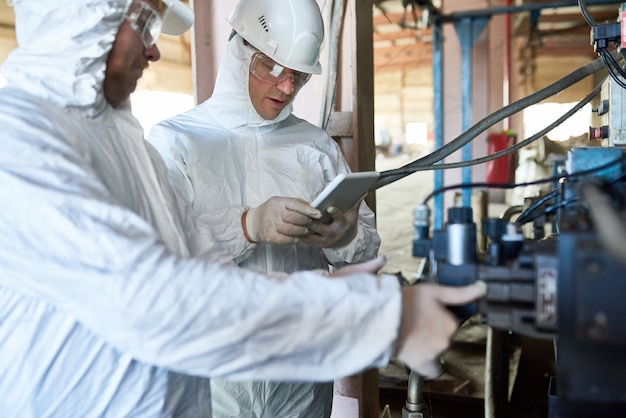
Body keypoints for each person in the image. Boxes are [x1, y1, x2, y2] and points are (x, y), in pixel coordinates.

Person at [0, 0, 486, 417]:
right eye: (144, 23)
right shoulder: (21, 140)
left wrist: (330, 273)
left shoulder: (125, 144)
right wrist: (378, 317)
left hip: (275, 375)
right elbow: (155, 300)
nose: (154, 49)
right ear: (84, 16)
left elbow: (197, 261)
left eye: (297, 76)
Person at [147, 0, 380, 415]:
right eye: (272, 67)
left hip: (302, 373)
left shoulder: (315, 147)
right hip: (214, 376)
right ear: (238, 53)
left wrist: (343, 238)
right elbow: (163, 253)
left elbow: (367, 246)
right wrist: (247, 225)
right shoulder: (176, 141)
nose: (287, 87)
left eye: (299, 74)